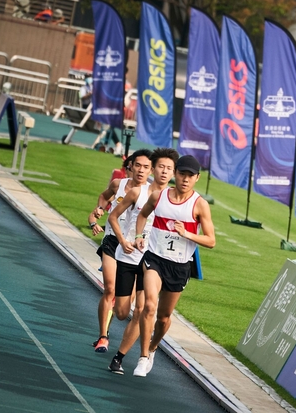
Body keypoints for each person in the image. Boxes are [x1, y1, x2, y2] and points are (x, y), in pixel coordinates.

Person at [132, 155, 215, 377]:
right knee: (149, 305)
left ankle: (152, 348)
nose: (185, 179)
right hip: (155, 258)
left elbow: (211, 241)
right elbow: (142, 215)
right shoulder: (159, 196)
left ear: (197, 178)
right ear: (175, 174)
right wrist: (140, 235)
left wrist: (187, 233)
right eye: (182, 174)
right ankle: (141, 357)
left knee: (164, 317)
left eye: (190, 176)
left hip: (179, 266)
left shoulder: (199, 205)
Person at [105, 148, 178, 374]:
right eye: (161, 167)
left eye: (169, 169)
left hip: (152, 261)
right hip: (128, 255)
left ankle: (120, 357)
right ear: (153, 168)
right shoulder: (138, 192)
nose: (164, 172)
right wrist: (123, 240)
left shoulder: (174, 199)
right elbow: (113, 216)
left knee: (142, 310)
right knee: (121, 312)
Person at [89, 149, 153, 353]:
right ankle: (102, 336)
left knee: (124, 308)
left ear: (150, 170)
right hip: (112, 241)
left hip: (135, 250)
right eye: (138, 166)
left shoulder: (152, 194)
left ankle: (112, 324)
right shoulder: (119, 185)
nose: (141, 170)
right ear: (131, 166)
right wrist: (100, 208)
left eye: (146, 167)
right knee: (110, 288)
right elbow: (103, 196)